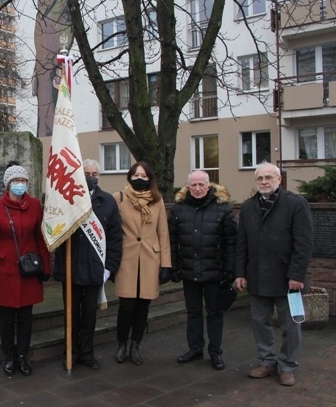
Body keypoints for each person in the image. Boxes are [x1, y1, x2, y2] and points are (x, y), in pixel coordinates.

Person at [235, 162, 313, 386]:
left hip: (287, 278)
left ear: (279, 179)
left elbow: (304, 243)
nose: (264, 181)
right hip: (257, 275)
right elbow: (242, 244)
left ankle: (288, 365)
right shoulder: (249, 207)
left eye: (269, 177)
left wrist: (297, 274)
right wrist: (240, 272)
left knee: (290, 325)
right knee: (260, 322)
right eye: (260, 178)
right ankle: (267, 362)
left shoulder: (295, 204)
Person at [0, 162, 50, 376]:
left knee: (26, 317)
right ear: (8, 184)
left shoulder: (35, 204)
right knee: (7, 318)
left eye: (23, 181)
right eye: (15, 181)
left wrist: (46, 266)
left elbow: (40, 237)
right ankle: (9, 356)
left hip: (29, 269)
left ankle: (22, 355)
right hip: (4, 270)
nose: (20, 184)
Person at [54, 159, 122, 370]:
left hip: (95, 269)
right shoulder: (68, 200)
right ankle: (71, 352)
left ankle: (87, 352)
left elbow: (114, 238)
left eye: (94, 173)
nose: (91, 177)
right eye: (87, 173)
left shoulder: (108, 201)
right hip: (71, 268)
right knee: (71, 315)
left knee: (90, 315)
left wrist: (109, 267)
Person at [168, 170, 237, 371]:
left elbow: (230, 241)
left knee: (215, 313)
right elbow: (171, 241)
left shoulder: (222, 208)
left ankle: (215, 352)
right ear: (187, 187)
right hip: (189, 271)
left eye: (201, 185)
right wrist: (173, 266)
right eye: (193, 185)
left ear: (209, 186)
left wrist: (230, 269)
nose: (197, 189)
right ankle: (195, 348)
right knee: (193, 313)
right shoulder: (178, 210)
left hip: (214, 272)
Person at [112, 161, 171, 366]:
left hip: (149, 260)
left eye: (144, 176)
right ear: (129, 177)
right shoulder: (119, 198)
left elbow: (163, 233)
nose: (140, 179)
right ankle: (121, 344)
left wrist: (166, 265)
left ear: (149, 179)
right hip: (126, 259)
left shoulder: (157, 200)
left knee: (143, 307)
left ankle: (135, 345)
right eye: (136, 175)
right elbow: (112, 231)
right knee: (126, 306)